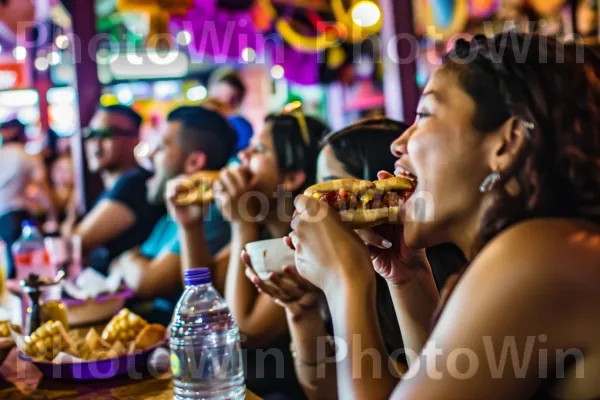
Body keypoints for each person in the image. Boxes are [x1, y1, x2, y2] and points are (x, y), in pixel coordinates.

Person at [287, 33, 600, 399]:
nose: (398, 143)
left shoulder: (540, 255)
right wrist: (409, 279)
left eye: (424, 115)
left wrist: (345, 281)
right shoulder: (548, 246)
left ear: (508, 143)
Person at [243, 117, 466, 399]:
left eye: (426, 115)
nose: (311, 201)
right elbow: (326, 393)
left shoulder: (480, 277)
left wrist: (345, 281)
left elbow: (247, 330)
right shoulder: (400, 267)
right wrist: (303, 314)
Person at [170, 103, 328, 398]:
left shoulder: (305, 244)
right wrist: (190, 227)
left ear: (291, 177)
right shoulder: (264, 226)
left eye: (258, 150)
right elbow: (200, 294)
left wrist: (241, 223)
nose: (243, 155)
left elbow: (244, 332)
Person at [110, 106, 235, 326]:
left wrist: (127, 258)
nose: (151, 155)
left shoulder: (211, 212)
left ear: (194, 162)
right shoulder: (171, 214)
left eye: (161, 147)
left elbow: (147, 282)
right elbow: (129, 269)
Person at [65, 105, 165, 273]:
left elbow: (75, 244)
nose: (95, 143)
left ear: (135, 138)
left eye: (106, 134)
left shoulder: (133, 184)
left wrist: (70, 215)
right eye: (90, 134)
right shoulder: (116, 185)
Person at [0, 118, 55, 278]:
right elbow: (41, 186)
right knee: (24, 267)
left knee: (9, 263)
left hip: (2, 214)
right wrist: (52, 213)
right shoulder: (25, 155)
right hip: (17, 215)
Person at [208, 68, 254, 153]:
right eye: (219, 98)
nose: (224, 106)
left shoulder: (241, 126)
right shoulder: (200, 122)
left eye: (231, 101)